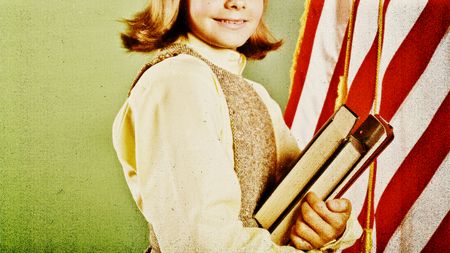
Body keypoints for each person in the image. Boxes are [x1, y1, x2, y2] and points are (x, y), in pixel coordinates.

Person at [112, 0, 362, 252]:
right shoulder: (178, 79)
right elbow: (201, 244)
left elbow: (302, 194)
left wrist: (328, 226)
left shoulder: (256, 93)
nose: (237, 3)